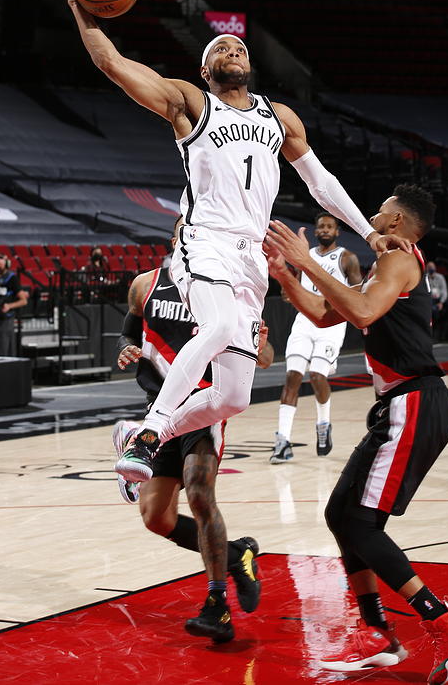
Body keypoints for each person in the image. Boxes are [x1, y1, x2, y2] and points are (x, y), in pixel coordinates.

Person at [68, 0, 409, 485]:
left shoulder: (279, 118)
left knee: (234, 395)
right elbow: (114, 64)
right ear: (206, 69)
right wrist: (80, 9)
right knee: (220, 326)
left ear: (250, 64)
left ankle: (133, 431)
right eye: (220, 48)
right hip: (203, 242)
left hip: (252, 255)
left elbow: (320, 182)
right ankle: (150, 435)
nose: (233, 50)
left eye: (240, 47)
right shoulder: (190, 102)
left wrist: (367, 232)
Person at [264, 184, 448, 682]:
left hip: (416, 400)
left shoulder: (400, 261)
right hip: (402, 404)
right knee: (341, 516)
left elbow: (360, 313)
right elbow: (324, 313)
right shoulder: (386, 267)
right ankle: (377, 633)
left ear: (399, 222)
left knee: (360, 523)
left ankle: (444, 619)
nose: (371, 215)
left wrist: (309, 261)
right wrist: (287, 274)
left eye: (380, 210)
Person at [112, 215, 273, 643]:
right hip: (160, 408)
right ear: (177, 238)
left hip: (203, 407)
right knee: (155, 518)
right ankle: (239, 555)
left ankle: (217, 605)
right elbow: (128, 329)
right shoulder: (145, 284)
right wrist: (127, 348)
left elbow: (265, 357)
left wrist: (260, 346)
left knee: (200, 493)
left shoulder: (230, 286)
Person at [271, 211, 361, 462]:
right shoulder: (306, 256)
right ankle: (282, 441)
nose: (324, 230)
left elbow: (358, 293)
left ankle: (323, 423)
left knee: (318, 375)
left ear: (337, 232)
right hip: (304, 322)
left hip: (332, 323)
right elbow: (295, 290)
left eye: (329, 227)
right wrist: (286, 285)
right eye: (320, 227)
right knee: (292, 377)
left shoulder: (347, 258)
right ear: (315, 230)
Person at [427, 260, 448, 334]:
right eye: (429, 267)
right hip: (430, 301)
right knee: (433, 313)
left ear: (435, 268)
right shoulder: (425, 278)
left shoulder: (440, 277)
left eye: (432, 267)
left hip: (440, 300)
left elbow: (444, 291)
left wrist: (441, 302)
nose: (431, 268)